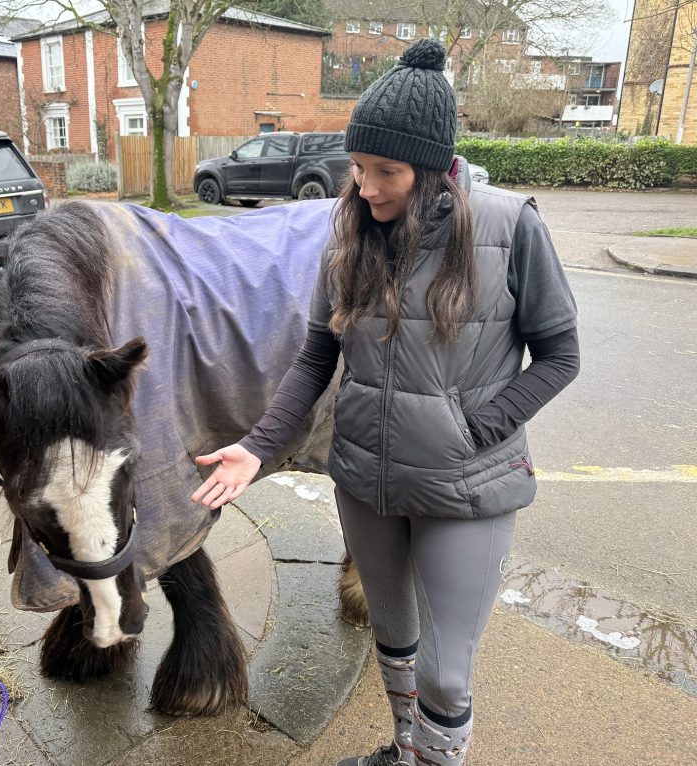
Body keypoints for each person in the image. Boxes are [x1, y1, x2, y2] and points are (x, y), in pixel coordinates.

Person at [191, 38, 580, 766]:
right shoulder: (347, 240)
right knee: (393, 642)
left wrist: (476, 427)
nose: (365, 187)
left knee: (443, 671)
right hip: (365, 480)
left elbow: (562, 356)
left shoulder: (509, 224)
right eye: (358, 167)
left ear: (432, 167)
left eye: (386, 172)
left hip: (466, 485)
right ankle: (406, 753)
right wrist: (256, 444)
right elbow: (316, 358)